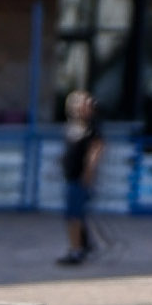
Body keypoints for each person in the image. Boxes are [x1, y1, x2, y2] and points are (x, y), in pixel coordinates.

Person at [58, 82, 104, 266]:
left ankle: (76, 250)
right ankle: (84, 244)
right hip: (71, 176)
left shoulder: (92, 129)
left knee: (74, 216)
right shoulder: (73, 128)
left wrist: (89, 172)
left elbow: (96, 151)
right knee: (75, 215)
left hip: (80, 178)